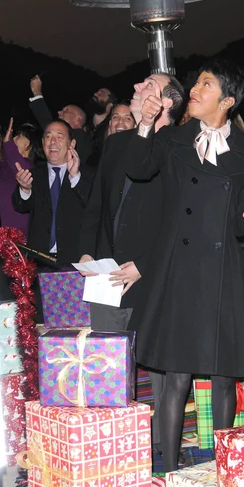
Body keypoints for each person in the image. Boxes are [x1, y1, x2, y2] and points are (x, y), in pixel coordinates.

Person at [125, 58, 244, 472]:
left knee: (223, 374)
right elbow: (138, 168)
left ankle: (222, 468)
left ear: (227, 100)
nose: (195, 90)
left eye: (206, 85)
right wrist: (144, 125)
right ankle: (171, 469)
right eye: (197, 83)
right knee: (177, 374)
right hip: (180, 268)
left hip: (223, 270)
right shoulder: (173, 139)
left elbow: (237, 222)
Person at [78, 73, 185, 454]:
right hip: (105, 270)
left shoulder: (178, 145)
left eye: (148, 86)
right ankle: (111, 443)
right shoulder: (118, 142)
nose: (137, 89)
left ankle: (160, 445)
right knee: (106, 357)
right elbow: (97, 204)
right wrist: (88, 252)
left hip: (150, 271)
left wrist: (144, 265)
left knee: (156, 361)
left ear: (167, 103)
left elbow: (178, 218)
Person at [13, 120, 94, 266]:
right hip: (38, 260)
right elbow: (20, 207)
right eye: (48, 137)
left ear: (72, 144)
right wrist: (25, 189)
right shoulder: (32, 174)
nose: (53, 142)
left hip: (76, 261)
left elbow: (94, 208)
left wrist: (75, 176)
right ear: (43, 143)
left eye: (59, 137)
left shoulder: (87, 174)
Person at [29, 75, 92, 164]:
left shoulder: (82, 138)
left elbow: (48, 124)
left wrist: (37, 93)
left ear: (78, 119)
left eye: (66, 110)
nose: (59, 112)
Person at [86, 86, 117, 166]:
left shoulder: (112, 129)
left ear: (109, 106)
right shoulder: (85, 129)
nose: (95, 94)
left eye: (101, 93)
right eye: (97, 92)